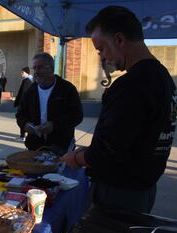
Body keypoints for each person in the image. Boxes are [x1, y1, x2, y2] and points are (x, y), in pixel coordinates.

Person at [63, 6, 176, 213]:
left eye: (102, 49)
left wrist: (77, 158)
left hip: (118, 193)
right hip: (143, 188)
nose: (104, 57)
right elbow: (132, 139)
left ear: (119, 40)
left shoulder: (132, 84)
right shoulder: (163, 78)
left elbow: (109, 151)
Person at [16, 52, 83, 153]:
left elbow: (77, 115)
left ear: (51, 68)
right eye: (34, 68)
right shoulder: (30, 91)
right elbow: (20, 115)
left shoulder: (67, 89)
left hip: (61, 147)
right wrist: (25, 125)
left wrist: (54, 125)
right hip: (35, 147)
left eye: (40, 68)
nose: (36, 72)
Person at [14, 66, 33, 141]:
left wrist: (20, 103)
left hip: (24, 105)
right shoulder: (26, 80)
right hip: (24, 104)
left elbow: (23, 93)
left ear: (26, 73)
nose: (21, 73)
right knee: (23, 119)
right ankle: (22, 135)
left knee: (22, 119)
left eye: (22, 72)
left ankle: (23, 136)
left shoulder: (27, 81)